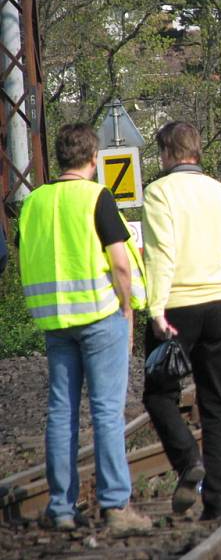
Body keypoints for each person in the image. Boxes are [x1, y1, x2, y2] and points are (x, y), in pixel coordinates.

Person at [17, 123, 151, 534]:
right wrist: (127, 310)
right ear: (94, 159)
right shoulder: (97, 198)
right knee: (107, 412)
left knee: (60, 412)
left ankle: (60, 506)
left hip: (55, 322)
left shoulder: (34, 202)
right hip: (99, 317)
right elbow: (120, 262)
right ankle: (115, 506)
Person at [142, 121, 221, 520]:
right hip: (215, 310)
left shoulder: (159, 193)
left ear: (169, 154)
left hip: (175, 309)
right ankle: (217, 502)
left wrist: (156, 309)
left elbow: (161, 254)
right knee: (215, 404)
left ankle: (188, 460)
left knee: (159, 395)